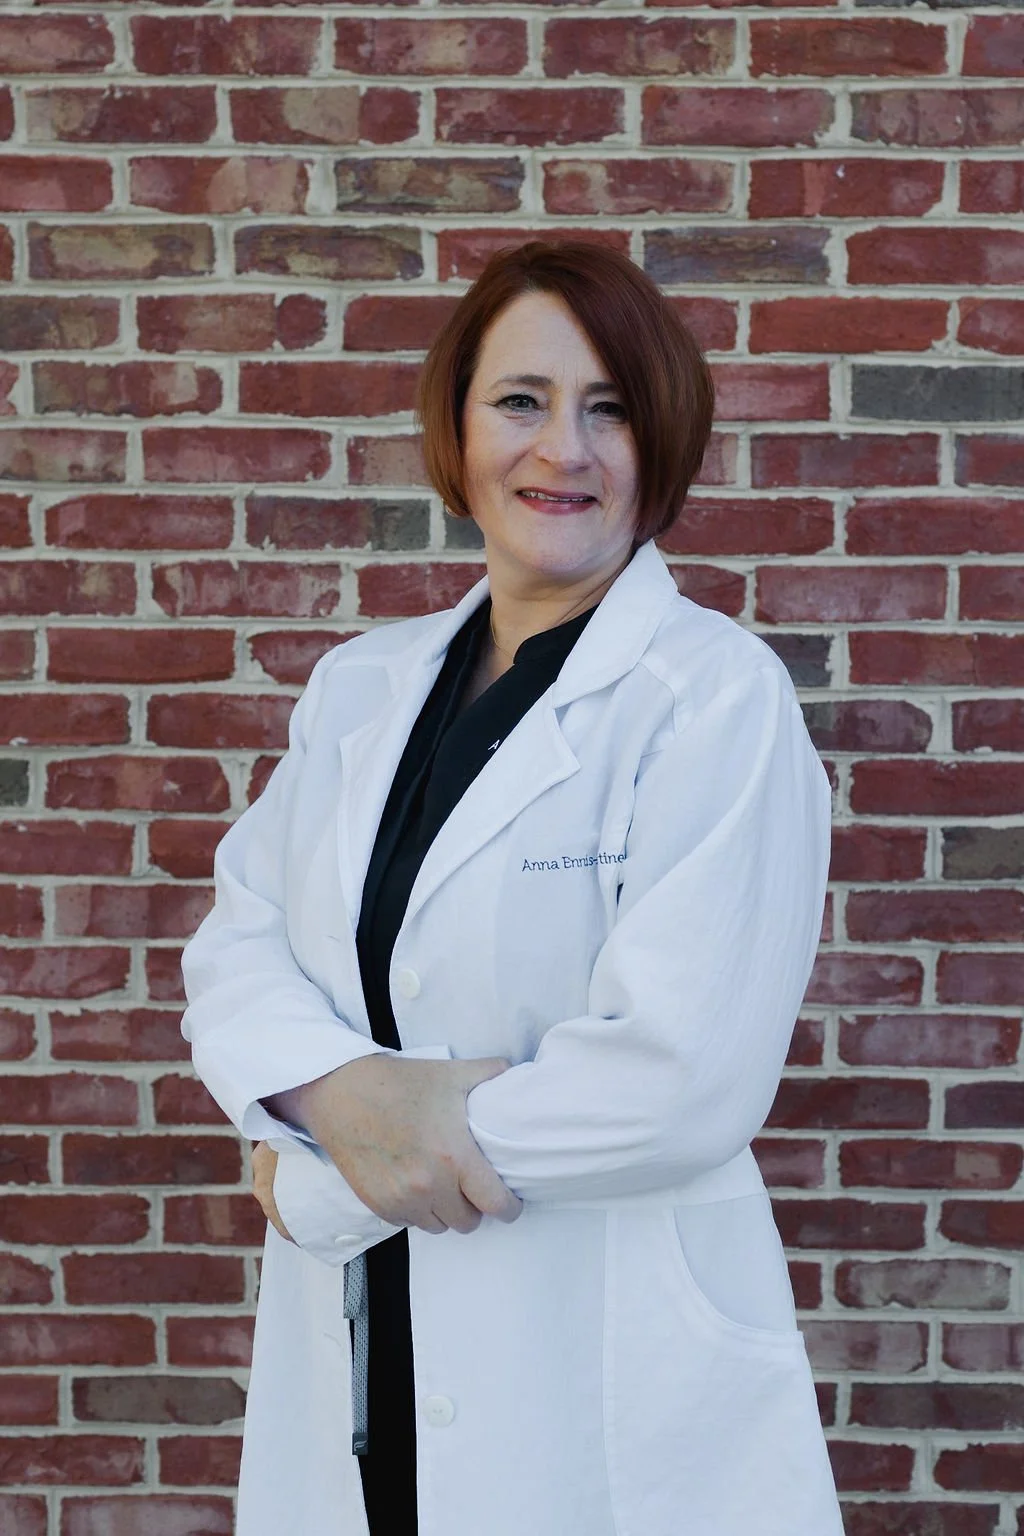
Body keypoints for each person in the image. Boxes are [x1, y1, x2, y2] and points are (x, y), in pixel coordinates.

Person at [180, 239, 844, 1536]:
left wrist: (324, 1176)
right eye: (522, 401)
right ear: (458, 426)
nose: (564, 450)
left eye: (611, 409)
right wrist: (332, 1096)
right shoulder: (361, 687)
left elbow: (680, 1080)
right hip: (366, 1354)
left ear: (662, 440)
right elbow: (238, 946)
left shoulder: (714, 700)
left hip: (598, 1368)